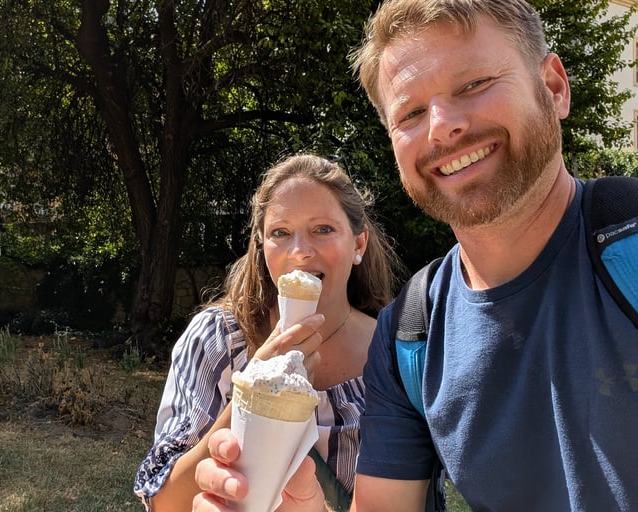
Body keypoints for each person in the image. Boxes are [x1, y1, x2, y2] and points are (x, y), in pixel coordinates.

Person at [191, 1, 638, 511]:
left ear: (554, 87)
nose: (442, 127)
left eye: (474, 84)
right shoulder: (410, 334)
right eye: (411, 113)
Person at [133, 153, 403, 511]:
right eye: (281, 233)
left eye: (323, 229)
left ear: (358, 244)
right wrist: (255, 386)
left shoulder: (396, 355)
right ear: (262, 248)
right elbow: (163, 502)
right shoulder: (218, 339)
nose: (300, 252)